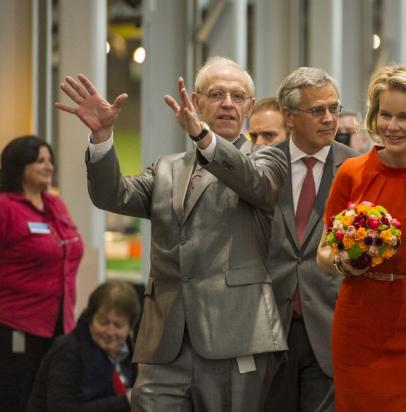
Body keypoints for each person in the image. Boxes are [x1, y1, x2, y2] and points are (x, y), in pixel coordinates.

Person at [56, 56, 288, 411]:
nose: (228, 103)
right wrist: (102, 138)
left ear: (250, 107)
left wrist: (202, 136)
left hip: (236, 338)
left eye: (238, 96)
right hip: (164, 344)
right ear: (196, 102)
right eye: (217, 93)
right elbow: (112, 194)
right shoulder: (167, 168)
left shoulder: (267, 160)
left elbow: (254, 184)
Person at [316, 64, 406, 411]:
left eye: (405, 117)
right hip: (357, 323)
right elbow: (322, 253)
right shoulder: (351, 173)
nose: (392, 126)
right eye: (385, 114)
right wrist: (344, 263)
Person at [264, 67, 357, 412]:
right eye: (317, 110)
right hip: (272, 328)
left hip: (330, 328)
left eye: (334, 108)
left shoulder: (356, 168)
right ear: (288, 115)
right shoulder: (263, 164)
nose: (329, 119)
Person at [0, 135, 84, 412]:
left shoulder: (56, 205)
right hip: (15, 324)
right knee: (17, 398)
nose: (49, 167)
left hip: (59, 323)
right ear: (19, 166)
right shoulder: (5, 208)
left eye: (50, 160)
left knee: (50, 400)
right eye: (40, 161)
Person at [27, 280, 140, 412]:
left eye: (118, 325)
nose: (110, 332)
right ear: (90, 318)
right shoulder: (68, 350)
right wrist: (124, 402)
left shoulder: (129, 351)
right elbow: (61, 409)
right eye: (103, 322)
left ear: (130, 328)